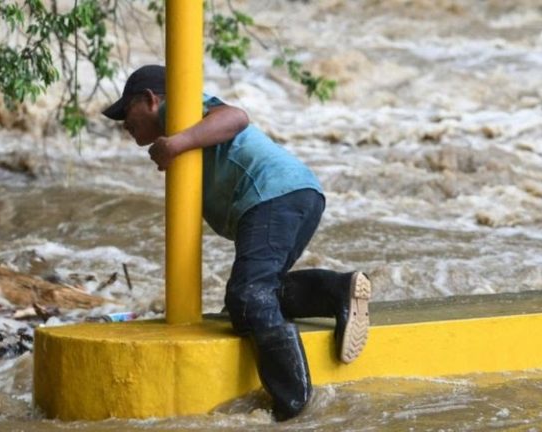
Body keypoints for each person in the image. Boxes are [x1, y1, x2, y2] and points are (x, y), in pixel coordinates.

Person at [102, 64, 371, 421]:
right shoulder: (185, 135)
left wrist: (178, 142)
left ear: (152, 100)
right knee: (251, 299)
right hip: (297, 194)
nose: (124, 123)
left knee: (248, 296)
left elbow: (236, 117)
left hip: (272, 195)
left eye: (127, 111)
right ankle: (337, 291)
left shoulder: (178, 110)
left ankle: (294, 406)